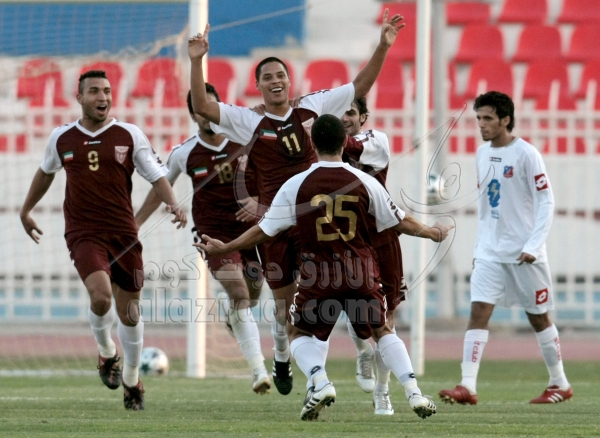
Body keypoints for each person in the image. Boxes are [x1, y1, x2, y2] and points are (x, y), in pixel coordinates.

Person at [188, 8, 405, 396]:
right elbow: (203, 108)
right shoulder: (249, 121)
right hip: (276, 224)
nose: (275, 81)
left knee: (323, 298)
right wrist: (196, 60)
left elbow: (359, 85)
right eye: (268, 77)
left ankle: (319, 378)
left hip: (310, 225)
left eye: (280, 75)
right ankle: (282, 357)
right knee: (282, 304)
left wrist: (383, 46)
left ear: (290, 81)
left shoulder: (313, 106)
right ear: (258, 85)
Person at [197, 114, 454, 420]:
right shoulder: (365, 181)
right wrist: (432, 232)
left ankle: (320, 382)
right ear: (343, 143)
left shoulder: (296, 184)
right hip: (360, 273)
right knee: (382, 330)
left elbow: (263, 231)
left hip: (318, 276)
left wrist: (225, 247)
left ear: (312, 143)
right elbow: (402, 221)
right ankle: (413, 391)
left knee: (298, 333)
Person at [19, 70, 187, 411]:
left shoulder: (129, 134)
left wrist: (172, 203)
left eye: (107, 91)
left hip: (123, 233)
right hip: (83, 232)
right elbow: (46, 171)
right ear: (79, 97)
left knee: (130, 314)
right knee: (100, 296)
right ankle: (107, 352)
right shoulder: (62, 137)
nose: (103, 97)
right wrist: (26, 210)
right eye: (94, 91)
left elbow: (157, 174)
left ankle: (131, 379)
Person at [134, 84, 270, 395]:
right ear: (194, 115)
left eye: (211, 106)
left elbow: (271, 177)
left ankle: (234, 316)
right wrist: (137, 222)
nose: (207, 114)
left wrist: (261, 204)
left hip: (251, 231)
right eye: (200, 108)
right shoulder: (184, 153)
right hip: (213, 235)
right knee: (239, 293)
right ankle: (259, 371)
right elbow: (160, 184)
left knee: (252, 291)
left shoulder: (245, 140)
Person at [438, 91, 572, 405]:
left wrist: (534, 244)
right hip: (490, 252)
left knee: (538, 317)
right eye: (478, 118)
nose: (481, 124)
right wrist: (480, 247)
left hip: (525, 253)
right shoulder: (481, 154)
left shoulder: (527, 154)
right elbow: (488, 207)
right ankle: (467, 386)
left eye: (487, 118)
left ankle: (560, 382)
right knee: (478, 312)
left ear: (505, 120)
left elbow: (546, 201)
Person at [340, 97, 409, 415]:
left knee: (386, 319)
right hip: (347, 241)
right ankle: (362, 352)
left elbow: (351, 145)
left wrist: (313, 128)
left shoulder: (376, 140)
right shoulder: (325, 152)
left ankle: (383, 391)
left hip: (382, 239)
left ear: (363, 117)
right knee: (353, 310)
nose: (344, 118)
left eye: (350, 112)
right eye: (338, 113)